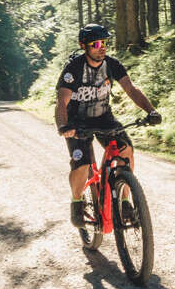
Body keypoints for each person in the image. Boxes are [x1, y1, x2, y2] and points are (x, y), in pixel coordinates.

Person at [56, 23, 159, 227]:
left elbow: (131, 89)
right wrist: (64, 125)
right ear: (83, 46)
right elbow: (62, 101)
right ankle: (77, 201)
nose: (101, 47)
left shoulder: (112, 64)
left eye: (104, 43)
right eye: (95, 44)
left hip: (103, 117)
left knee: (126, 149)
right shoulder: (73, 69)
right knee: (82, 164)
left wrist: (151, 110)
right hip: (76, 121)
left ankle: (124, 200)